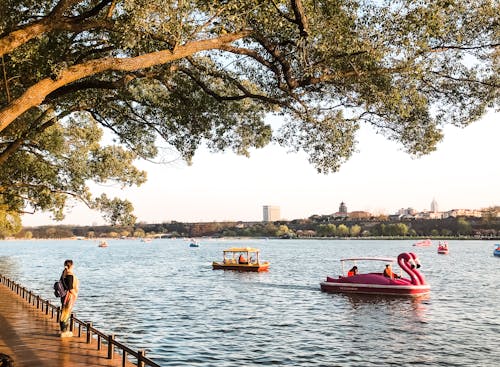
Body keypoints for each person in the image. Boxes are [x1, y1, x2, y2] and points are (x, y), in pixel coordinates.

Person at [59, 259, 79, 337]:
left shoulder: (63, 272)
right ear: (72, 265)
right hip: (68, 296)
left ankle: (63, 330)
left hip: (63, 295)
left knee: (64, 312)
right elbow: (70, 288)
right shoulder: (69, 274)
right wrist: (75, 295)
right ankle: (64, 332)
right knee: (66, 312)